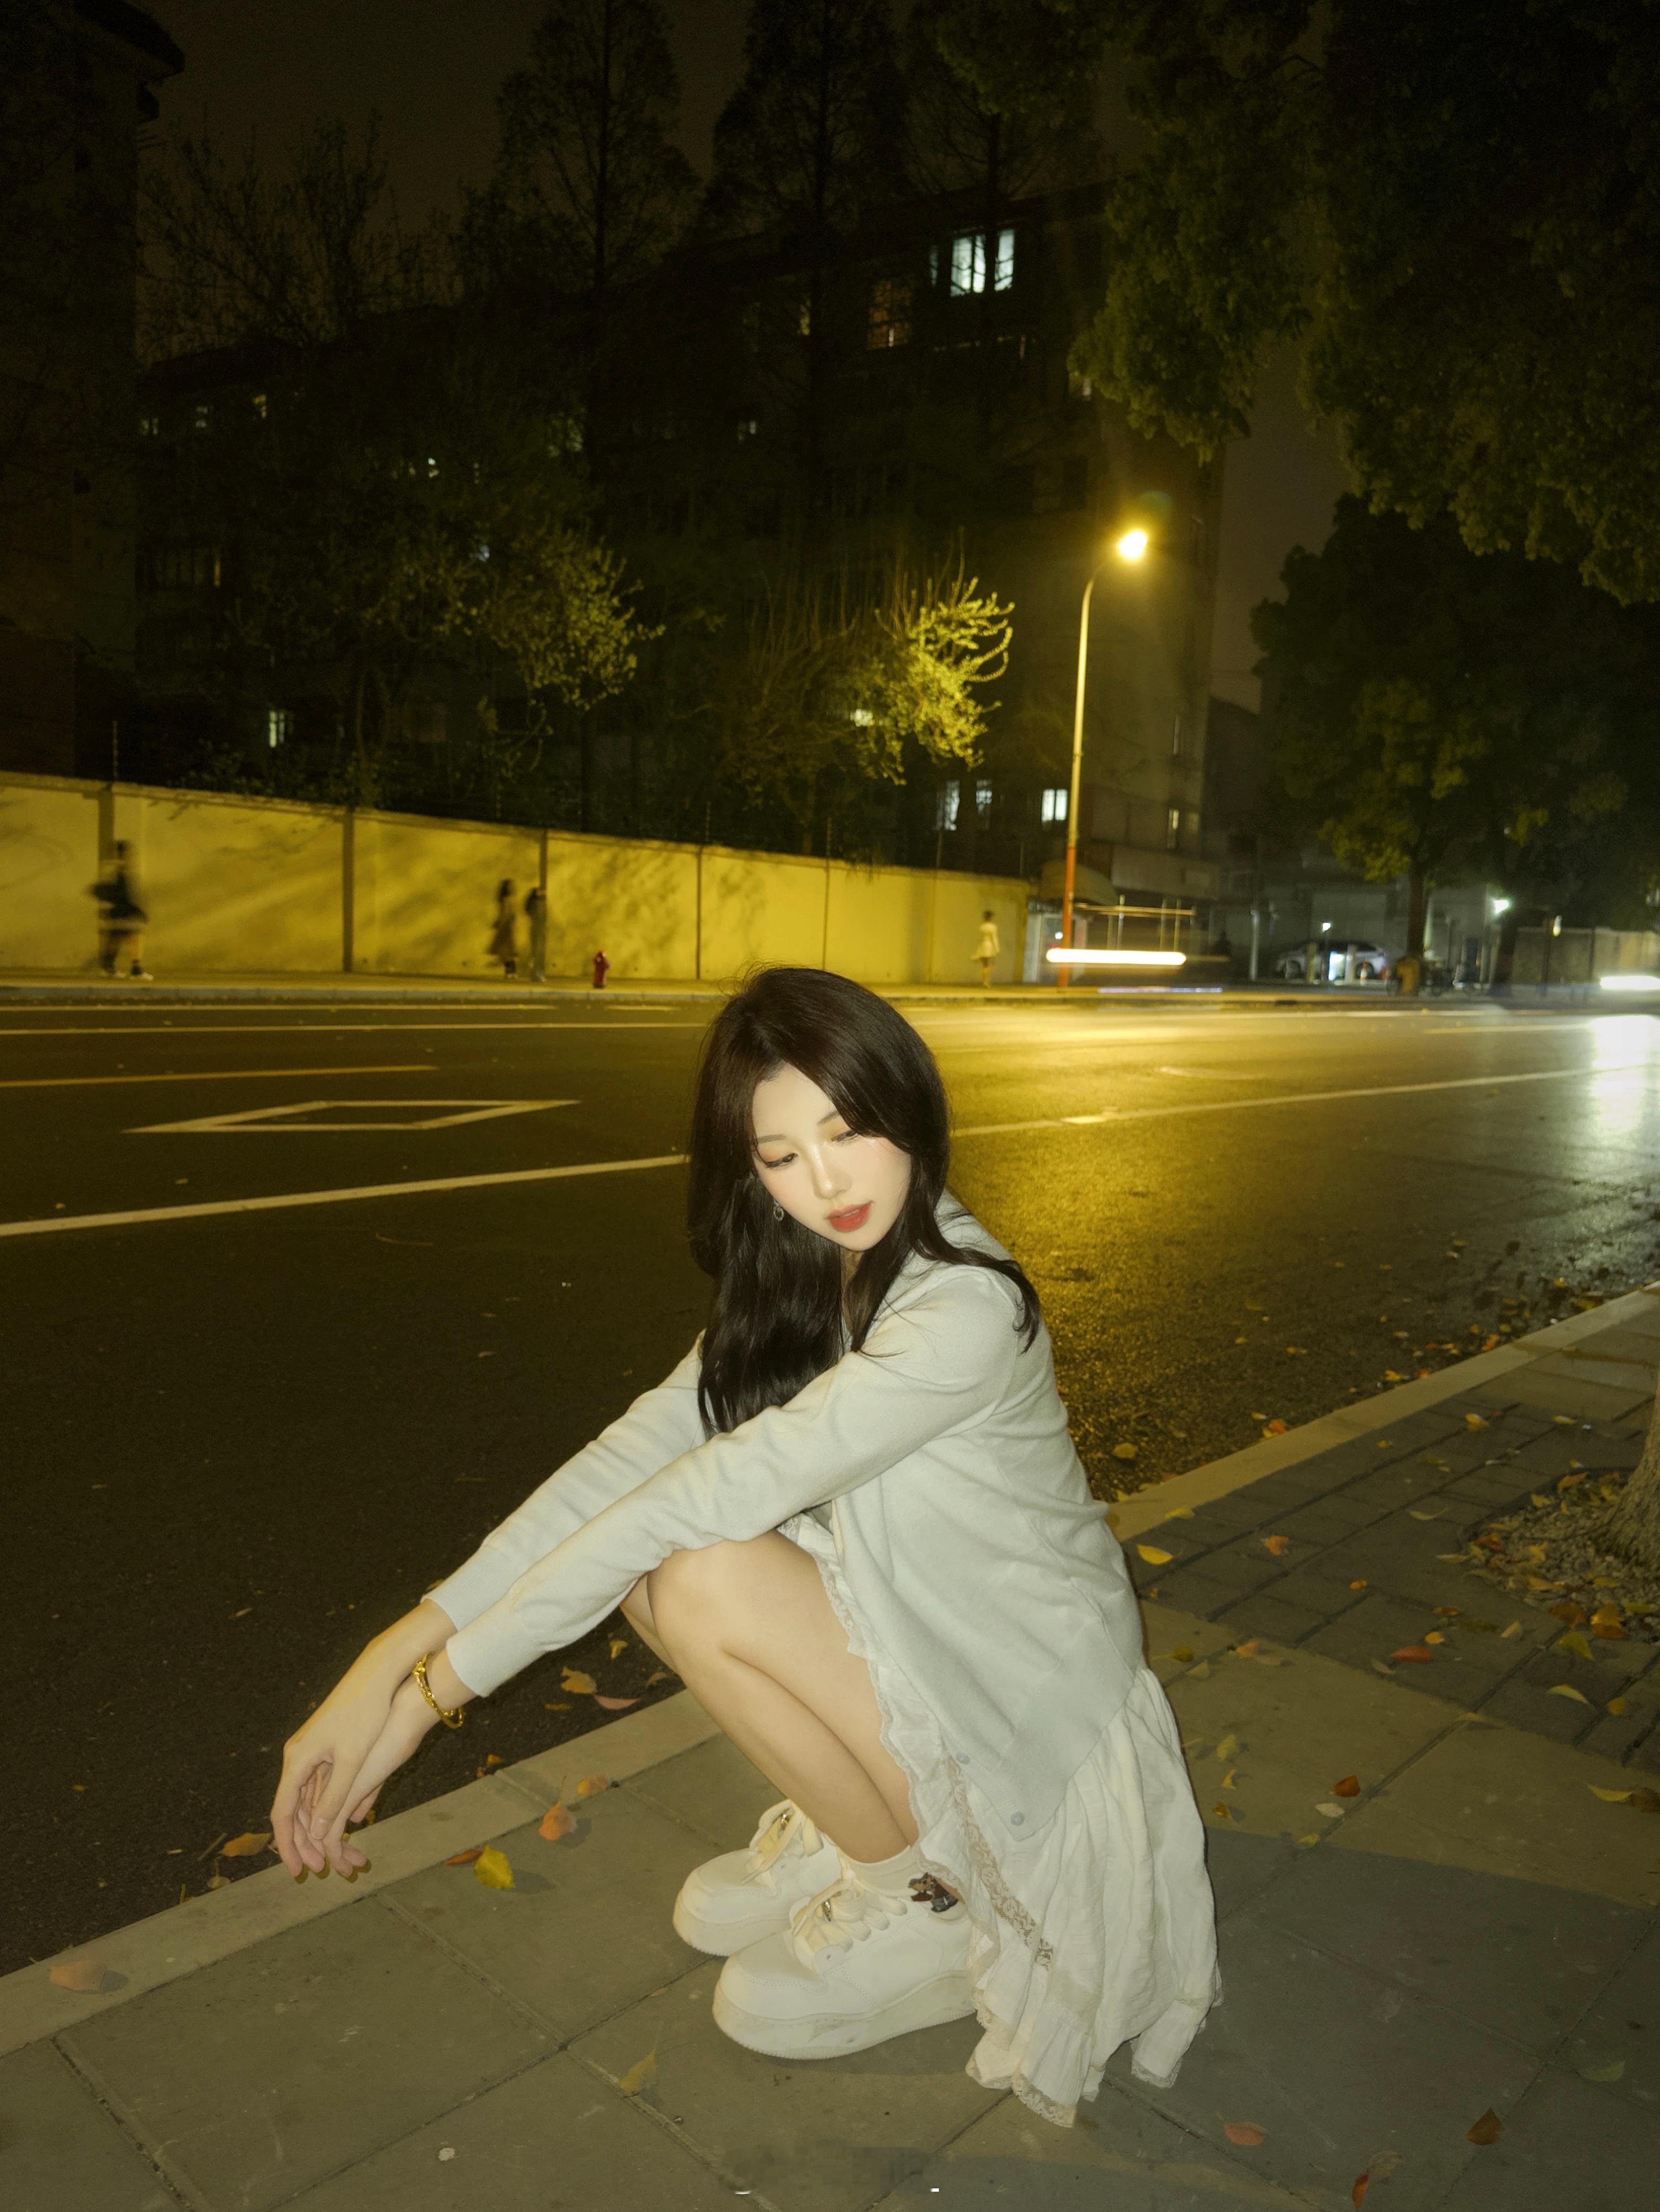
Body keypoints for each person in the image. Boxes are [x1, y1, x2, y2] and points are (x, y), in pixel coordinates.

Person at [268, 967, 1220, 2128]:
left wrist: (427, 1702)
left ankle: (926, 1897)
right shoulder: (819, 1266)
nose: (826, 1181)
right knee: (650, 1566)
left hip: (1022, 1704)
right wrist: (393, 1650)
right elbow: (630, 1460)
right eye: (780, 1154)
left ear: (908, 1103)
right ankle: (870, 1833)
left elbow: (686, 1503)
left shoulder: (959, 1311)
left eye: (849, 1129)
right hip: (926, 1629)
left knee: (701, 1569)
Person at [88, 841, 150, 979]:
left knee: (116, 938)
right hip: (122, 911)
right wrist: (136, 910)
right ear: (123, 853)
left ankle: (108, 966)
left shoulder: (114, 869)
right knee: (134, 937)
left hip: (118, 911)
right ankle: (135, 969)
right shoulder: (119, 870)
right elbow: (121, 892)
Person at [487, 878, 519, 979]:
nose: (511, 887)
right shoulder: (507, 899)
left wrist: (499, 922)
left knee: (506, 950)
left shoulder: (507, 899)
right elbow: (506, 913)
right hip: (506, 925)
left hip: (506, 925)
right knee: (507, 950)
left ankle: (510, 971)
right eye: (509, 886)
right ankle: (511, 971)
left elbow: (507, 913)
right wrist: (500, 922)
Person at [523, 885, 548, 983]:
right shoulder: (538, 904)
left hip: (536, 928)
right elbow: (541, 916)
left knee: (536, 951)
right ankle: (537, 973)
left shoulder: (536, 904)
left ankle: (536, 972)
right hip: (538, 929)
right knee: (538, 952)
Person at [974, 908, 1000, 986]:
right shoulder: (993, 927)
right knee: (993, 964)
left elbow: (979, 938)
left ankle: (985, 981)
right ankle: (985, 979)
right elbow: (995, 938)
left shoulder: (982, 927)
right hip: (989, 946)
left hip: (983, 945)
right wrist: (997, 949)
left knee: (985, 965)